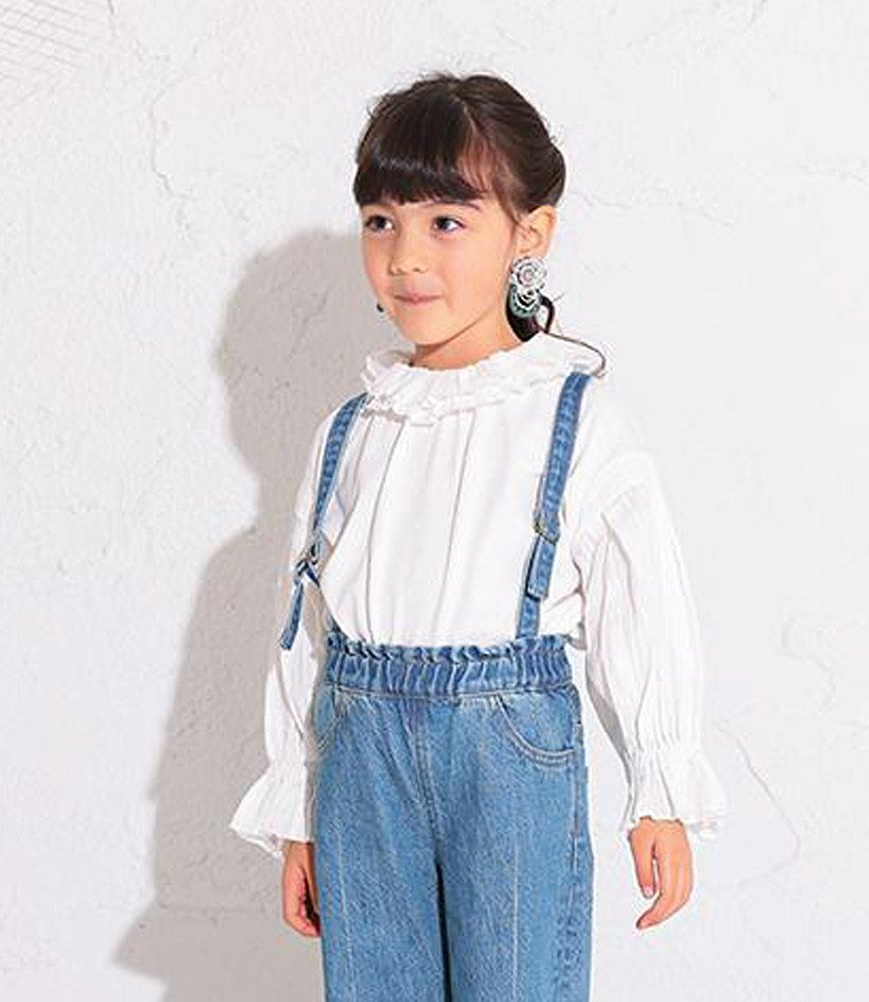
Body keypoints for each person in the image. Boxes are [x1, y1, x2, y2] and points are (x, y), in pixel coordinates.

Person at [229, 70, 728, 999]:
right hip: (360, 762)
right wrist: (298, 804)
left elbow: (643, 611)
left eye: (447, 222)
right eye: (382, 221)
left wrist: (659, 787)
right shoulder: (352, 430)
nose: (406, 257)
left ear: (528, 234)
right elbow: (306, 630)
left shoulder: (579, 421)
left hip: (508, 762)